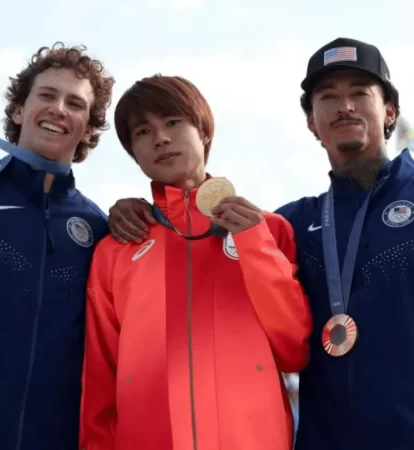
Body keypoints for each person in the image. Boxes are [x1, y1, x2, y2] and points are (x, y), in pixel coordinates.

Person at [106, 37, 414, 450]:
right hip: (325, 439)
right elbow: (199, 234)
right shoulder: (291, 223)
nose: (345, 106)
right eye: (328, 97)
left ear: (390, 111)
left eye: (360, 93)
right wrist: (131, 209)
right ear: (311, 122)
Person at [79, 74, 312, 450]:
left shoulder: (269, 229)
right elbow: (100, 381)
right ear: (134, 154)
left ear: (203, 131)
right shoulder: (116, 249)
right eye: (142, 131)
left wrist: (254, 244)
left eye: (173, 122)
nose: (161, 138)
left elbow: (293, 349)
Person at [0, 43, 114, 450]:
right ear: (18, 110)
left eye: (75, 103)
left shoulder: (100, 229)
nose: (59, 109)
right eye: (47, 95)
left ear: (89, 128)